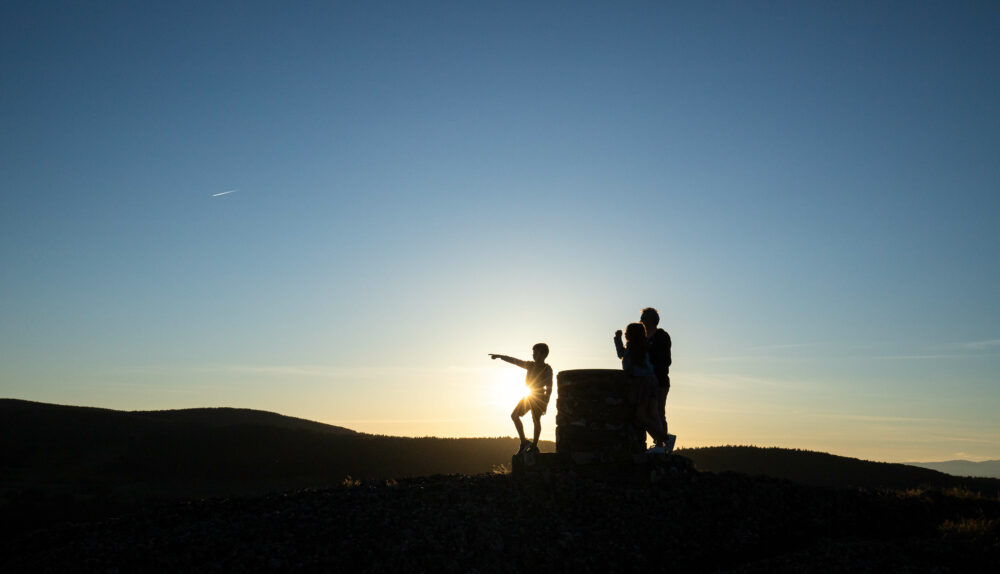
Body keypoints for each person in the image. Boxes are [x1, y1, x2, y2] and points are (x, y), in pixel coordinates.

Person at [615, 323, 670, 453]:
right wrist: (618, 340)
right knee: (653, 414)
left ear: (631, 335)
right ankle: (661, 445)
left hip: (642, 384)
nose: (625, 333)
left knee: (640, 415)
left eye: (627, 332)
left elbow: (623, 357)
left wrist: (618, 339)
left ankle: (665, 439)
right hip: (651, 382)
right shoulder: (643, 347)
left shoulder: (633, 349)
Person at [490, 343, 553, 455]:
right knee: (514, 415)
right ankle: (524, 442)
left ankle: (534, 445)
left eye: (536, 353)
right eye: (533, 353)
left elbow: (549, 387)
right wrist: (500, 356)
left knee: (536, 420)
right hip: (529, 396)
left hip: (539, 397)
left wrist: (546, 402)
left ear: (543, 354)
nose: (533, 355)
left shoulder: (547, 369)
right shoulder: (530, 365)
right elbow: (515, 361)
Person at [640, 307, 674, 453]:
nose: (640, 321)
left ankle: (662, 445)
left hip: (659, 381)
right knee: (644, 413)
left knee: (658, 412)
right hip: (645, 382)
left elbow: (666, 360)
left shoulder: (662, 336)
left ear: (651, 320)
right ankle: (662, 441)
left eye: (643, 318)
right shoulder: (642, 338)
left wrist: (651, 368)